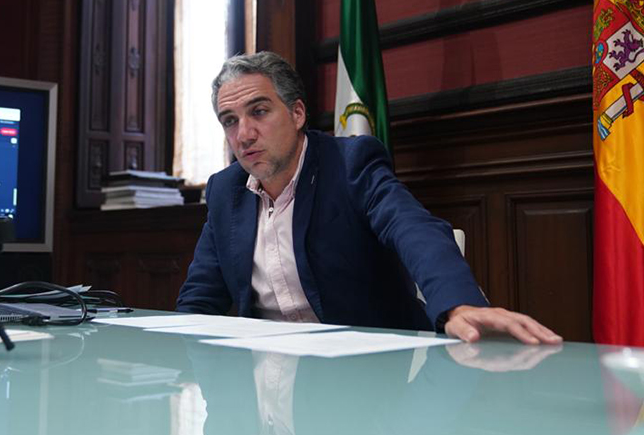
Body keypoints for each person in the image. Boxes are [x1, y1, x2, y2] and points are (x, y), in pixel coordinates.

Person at [176, 52, 561, 344]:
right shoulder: (226, 190)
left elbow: (415, 228)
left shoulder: (350, 163)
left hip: (368, 370)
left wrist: (459, 304)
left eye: (258, 111)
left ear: (296, 114)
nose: (244, 134)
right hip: (265, 374)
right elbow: (200, 298)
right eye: (230, 120)